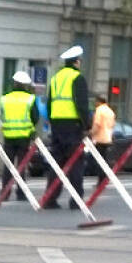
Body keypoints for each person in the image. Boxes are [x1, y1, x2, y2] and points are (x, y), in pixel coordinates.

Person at [44, 45, 90, 208]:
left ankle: (50, 198)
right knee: (76, 162)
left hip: (57, 125)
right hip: (73, 125)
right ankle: (76, 200)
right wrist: (87, 125)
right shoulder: (77, 78)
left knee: (57, 163)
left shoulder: (55, 78)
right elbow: (82, 105)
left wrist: (51, 122)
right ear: (77, 62)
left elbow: (49, 104)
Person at [0, 70, 38, 201]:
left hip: (8, 135)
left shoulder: (5, 98)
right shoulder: (30, 99)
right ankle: (21, 193)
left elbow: (2, 115)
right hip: (24, 136)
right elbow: (35, 117)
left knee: (8, 166)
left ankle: (5, 192)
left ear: (14, 83)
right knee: (22, 165)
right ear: (25, 85)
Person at [90, 93, 116, 186]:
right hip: (108, 138)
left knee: (99, 160)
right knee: (104, 159)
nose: (95, 103)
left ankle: (101, 180)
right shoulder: (110, 111)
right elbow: (113, 125)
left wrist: (91, 133)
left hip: (99, 138)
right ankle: (103, 179)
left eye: (95, 101)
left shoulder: (99, 110)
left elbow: (97, 124)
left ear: (98, 101)